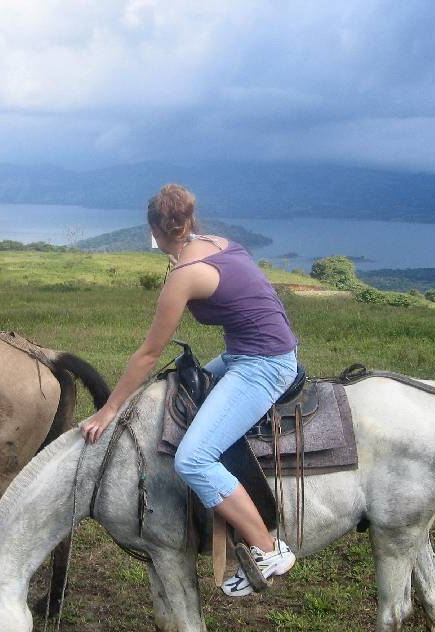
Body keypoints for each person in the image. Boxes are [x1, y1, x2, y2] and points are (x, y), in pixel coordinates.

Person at [81, 183, 299, 597]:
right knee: (173, 389)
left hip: (264, 364)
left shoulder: (183, 276)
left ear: (156, 231)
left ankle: (268, 549)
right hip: (246, 354)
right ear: (190, 221)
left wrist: (108, 410)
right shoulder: (217, 243)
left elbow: (147, 354)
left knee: (194, 459)